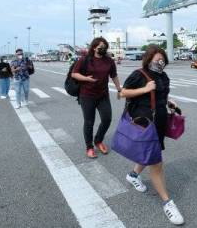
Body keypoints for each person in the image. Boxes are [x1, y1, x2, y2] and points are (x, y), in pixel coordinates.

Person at [119, 45, 185, 226]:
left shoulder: (164, 76)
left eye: (163, 60)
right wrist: (144, 89)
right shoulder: (139, 74)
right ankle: (167, 202)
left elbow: (161, 95)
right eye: (157, 60)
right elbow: (122, 93)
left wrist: (169, 102)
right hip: (144, 124)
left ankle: (133, 175)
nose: (160, 63)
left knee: (149, 153)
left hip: (159, 122)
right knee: (156, 162)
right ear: (148, 60)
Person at [71, 37, 122, 159]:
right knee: (89, 122)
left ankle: (98, 140)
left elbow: (114, 75)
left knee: (107, 118)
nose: (103, 49)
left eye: (105, 46)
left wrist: (119, 89)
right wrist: (86, 79)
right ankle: (89, 147)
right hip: (87, 95)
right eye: (101, 47)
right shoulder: (85, 60)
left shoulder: (109, 60)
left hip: (103, 95)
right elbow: (74, 73)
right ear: (94, 47)